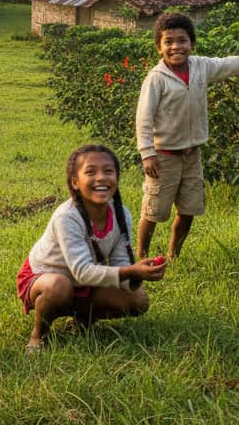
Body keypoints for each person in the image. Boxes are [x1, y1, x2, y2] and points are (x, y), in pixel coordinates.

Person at [134, 12, 239, 260]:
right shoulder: (156, 79)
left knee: (188, 210)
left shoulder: (200, 66)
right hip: (164, 157)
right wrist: (147, 153)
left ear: (192, 44)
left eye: (183, 40)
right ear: (159, 47)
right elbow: (143, 118)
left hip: (191, 155)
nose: (176, 46)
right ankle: (141, 256)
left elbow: (230, 64)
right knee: (154, 211)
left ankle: (174, 255)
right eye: (169, 41)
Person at [17, 144, 166, 352]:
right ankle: (37, 337)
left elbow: (119, 263)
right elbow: (82, 271)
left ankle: (82, 320)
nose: (101, 178)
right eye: (90, 172)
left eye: (108, 171)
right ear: (75, 183)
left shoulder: (121, 215)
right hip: (48, 277)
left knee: (138, 300)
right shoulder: (67, 217)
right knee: (59, 287)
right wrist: (132, 270)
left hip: (84, 280)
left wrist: (138, 275)